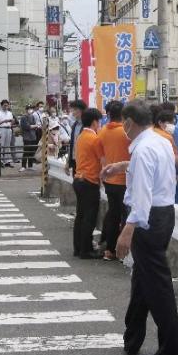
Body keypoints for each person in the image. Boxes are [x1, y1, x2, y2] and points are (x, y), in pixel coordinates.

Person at [104, 101, 178, 355]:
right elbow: (153, 171)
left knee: (157, 286)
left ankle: (171, 347)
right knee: (143, 279)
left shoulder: (144, 148)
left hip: (147, 219)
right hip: (163, 214)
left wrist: (127, 229)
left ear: (128, 122)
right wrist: (122, 166)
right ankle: (133, 338)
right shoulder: (159, 141)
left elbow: (142, 195)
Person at [97, 100, 132, 261]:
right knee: (126, 216)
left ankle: (109, 249)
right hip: (125, 180)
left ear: (108, 114)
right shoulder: (126, 133)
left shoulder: (102, 132)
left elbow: (101, 155)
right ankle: (123, 250)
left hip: (109, 180)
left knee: (113, 214)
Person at [72, 108, 103, 259]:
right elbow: (102, 160)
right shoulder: (94, 139)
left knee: (80, 216)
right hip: (90, 180)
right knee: (89, 218)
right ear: (94, 122)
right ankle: (86, 249)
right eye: (99, 121)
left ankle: (78, 248)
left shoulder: (81, 136)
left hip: (78, 179)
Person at [65, 100, 87, 176]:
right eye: (72, 110)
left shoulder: (87, 125)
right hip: (75, 160)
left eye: (74, 110)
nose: (72, 112)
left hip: (85, 162)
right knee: (76, 185)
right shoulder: (74, 125)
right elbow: (72, 144)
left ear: (81, 110)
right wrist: (68, 162)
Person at [0, 100, 17, 168]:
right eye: (4, 105)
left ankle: (7, 161)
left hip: (8, 129)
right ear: (1, 106)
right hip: (2, 129)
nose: (6, 107)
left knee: (7, 145)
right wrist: (5, 121)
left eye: (7, 105)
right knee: (1, 145)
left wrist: (12, 121)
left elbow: (12, 122)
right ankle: (0, 161)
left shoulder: (10, 113)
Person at [19, 105, 38, 171]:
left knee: (32, 151)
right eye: (29, 109)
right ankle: (23, 166)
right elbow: (26, 127)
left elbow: (35, 125)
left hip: (33, 136)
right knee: (26, 152)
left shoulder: (32, 116)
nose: (30, 110)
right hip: (26, 137)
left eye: (31, 109)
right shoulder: (23, 117)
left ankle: (30, 165)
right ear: (26, 110)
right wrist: (33, 126)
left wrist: (33, 126)